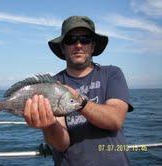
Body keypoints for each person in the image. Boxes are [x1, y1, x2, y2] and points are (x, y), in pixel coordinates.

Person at [24, 16, 133, 166]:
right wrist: (48, 125)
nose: (78, 45)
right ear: (63, 48)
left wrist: (79, 102)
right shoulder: (53, 85)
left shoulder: (112, 74)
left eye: (85, 39)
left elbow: (114, 120)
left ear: (93, 46)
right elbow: (61, 144)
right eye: (71, 40)